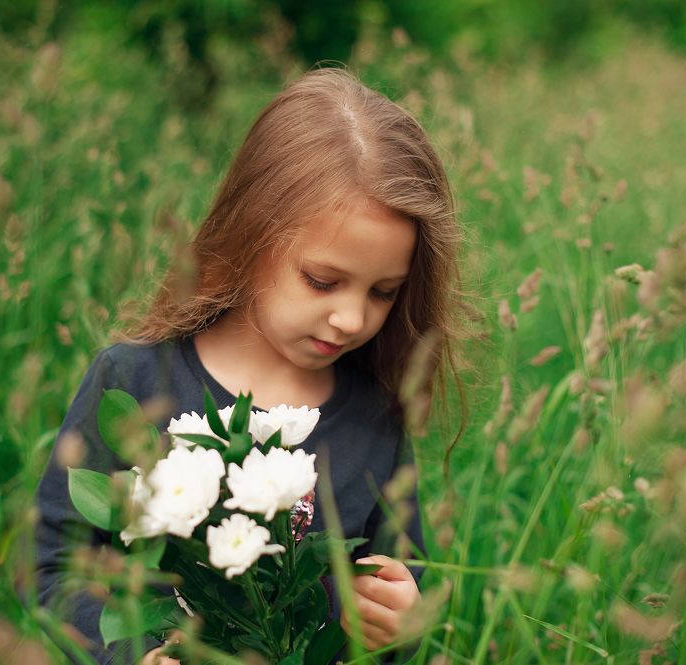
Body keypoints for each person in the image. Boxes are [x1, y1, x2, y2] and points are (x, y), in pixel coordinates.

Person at [35, 67, 466, 664]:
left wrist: (403, 615)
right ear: (252, 234)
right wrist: (133, 654)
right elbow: (55, 563)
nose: (350, 318)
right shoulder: (135, 382)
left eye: (383, 292)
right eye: (323, 281)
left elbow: (403, 572)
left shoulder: (374, 418)